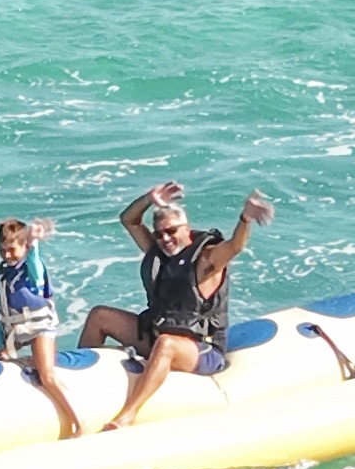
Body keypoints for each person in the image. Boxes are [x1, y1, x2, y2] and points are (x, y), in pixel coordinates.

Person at [80, 173, 274, 433]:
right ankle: (78, 382)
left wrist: (245, 218)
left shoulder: (206, 259)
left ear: (186, 230)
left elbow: (235, 247)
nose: (165, 239)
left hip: (202, 350)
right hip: (156, 333)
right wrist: (149, 198)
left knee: (167, 344)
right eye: (160, 234)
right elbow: (128, 219)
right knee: (100, 316)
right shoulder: (159, 251)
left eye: (171, 231)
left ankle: (128, 415)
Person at [0, 216, 83, 440]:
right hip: (16, 331)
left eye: (12, 249)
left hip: (40, 327)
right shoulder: (1, 274)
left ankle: (79, 423)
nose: (6, 255)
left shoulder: (32, 269)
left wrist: (34, 241)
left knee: (46, 374)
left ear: (25, 247)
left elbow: (35, 262)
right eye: (2, 250)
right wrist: (0, 344)